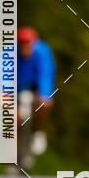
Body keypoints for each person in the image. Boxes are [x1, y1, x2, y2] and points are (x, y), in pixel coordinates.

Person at [17, 27, 55, 158]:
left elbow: (45, 74)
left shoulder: (42, 51)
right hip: (16, 87)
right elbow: (2, 74)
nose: (25, 48)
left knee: (43, 105)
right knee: (13, 118)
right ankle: (14, 156)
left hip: (35, 87)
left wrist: (45, 95)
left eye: (28, 44)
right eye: (22, 44)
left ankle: (38, 131)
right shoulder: (9, 53)